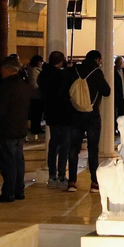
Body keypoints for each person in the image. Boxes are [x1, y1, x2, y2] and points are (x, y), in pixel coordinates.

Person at [68, 50, 113, 192]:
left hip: (75, 115)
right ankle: (94, 182)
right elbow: (106, 91)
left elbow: (65, 90)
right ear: (97, 59)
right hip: (92, 115)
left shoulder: (74, 70)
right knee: (93, 149)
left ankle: (72, 182)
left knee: (74, 148)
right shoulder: (96, 72)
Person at [0, 57, 31, 203]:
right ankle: (19, 190)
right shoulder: (23, 85)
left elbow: (0, 109)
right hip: (20, 128)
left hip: (7, 129)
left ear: (7, 69)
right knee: (19, 160)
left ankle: (8, 192)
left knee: (8, 162)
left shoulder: (5, 86)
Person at [41, 51, 74, 188]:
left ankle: (52, 175)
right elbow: (66, 92)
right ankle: (61, 174)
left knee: (53, 144)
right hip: (63, 114)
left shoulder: (44, 75)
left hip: (51, 114)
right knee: (65, 145)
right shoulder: (61, 76)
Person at [25, 54, 45, 138]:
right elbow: (36, 83)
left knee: (35, 113)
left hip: (33, 94)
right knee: (37, 113)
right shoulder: (35, 70)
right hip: (37, 94)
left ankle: (36, 127)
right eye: (40, 62)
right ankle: (36, 128)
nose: (41, 63)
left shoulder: (30, 69)